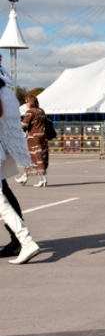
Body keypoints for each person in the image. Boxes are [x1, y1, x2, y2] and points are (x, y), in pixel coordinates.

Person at [0, 76, 41, 264]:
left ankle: (25, 241)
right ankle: (23, 241)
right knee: (3, 199)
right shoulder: (5, 92)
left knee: (2, 204)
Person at [15, 95, 49, 188]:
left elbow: (24, 125)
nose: (26, 104)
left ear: (30, 102)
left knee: (36, 158)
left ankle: (43, 179)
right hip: (42, 136)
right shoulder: (41, 111)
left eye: (26, 102)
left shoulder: (30, 112)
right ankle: (24, 177)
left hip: (34, 137)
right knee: (36, 157)